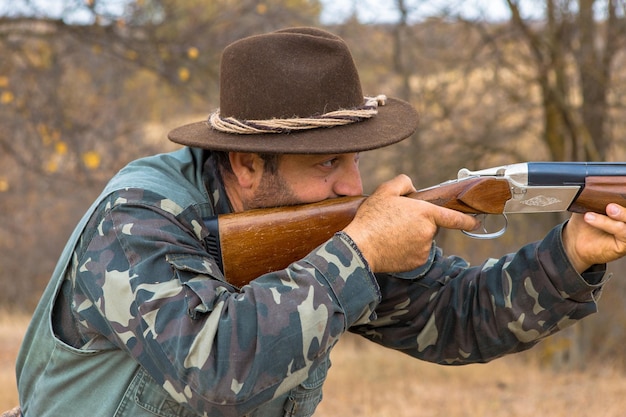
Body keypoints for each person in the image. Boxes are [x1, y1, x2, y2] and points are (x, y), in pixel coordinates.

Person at [13, 27, 626, 417]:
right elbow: (214, 370)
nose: (352, 187)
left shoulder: (316, 226)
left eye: (355, 159)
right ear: (247, 164)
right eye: (327, 162)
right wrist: (357, 254)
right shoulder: (138, 221)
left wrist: (571, 256)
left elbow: (457, 320)